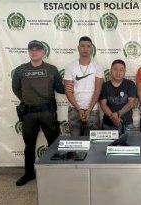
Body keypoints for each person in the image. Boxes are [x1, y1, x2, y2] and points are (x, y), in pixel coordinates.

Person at [12, 40, 65, 186]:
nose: (34, 52)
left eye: (37, 49)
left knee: (54, 143)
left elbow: (60, 88)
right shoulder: (20, 70)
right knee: (29, 145)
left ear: (43, 52)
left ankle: (56, 172)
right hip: (28, 114)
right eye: (31, 49)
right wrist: (28, 100)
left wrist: (74, 85)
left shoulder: (51, 69)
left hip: (47, 113)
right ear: (28, 52)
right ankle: (29, 173)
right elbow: (16, 88)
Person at [64, 36, 104, 136]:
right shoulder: (70, 67)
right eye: (82, 46)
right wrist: (78, 108)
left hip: (92, 110)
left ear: (91, 48)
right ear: (78, 48)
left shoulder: (98, 66)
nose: (85, 49)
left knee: (92, 144)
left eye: (88, 46)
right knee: (75, 142)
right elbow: (68, 91)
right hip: (74, 109)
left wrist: (89, 109)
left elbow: (98, 90)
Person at [99, 59, 137, 134]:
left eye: (121, 70)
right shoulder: (105, 86)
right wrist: (113, 118)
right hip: (109, 124)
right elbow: (103, 104)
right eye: (115, 69)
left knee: (128, 145)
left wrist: (118, 114)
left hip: (127, 124)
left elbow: (130, 104)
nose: (118, 72)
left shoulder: (130, 84)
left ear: (125, 72)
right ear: (111, 71)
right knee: (107, 145)